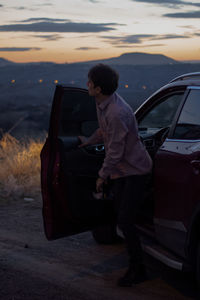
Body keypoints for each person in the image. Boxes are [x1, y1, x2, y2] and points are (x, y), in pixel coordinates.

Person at [79, 64, 152, 287]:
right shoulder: (103, 104)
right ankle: (135, 258)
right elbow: (105, 131)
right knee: (120, 215)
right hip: (122, 171)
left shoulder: (117, 112)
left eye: (90, 81)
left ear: (99, 88)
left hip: (135, 171)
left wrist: (102, 175)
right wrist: (89, 141)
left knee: (126, 220)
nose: (87, 84)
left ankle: (138, 269)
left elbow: (115, 150)